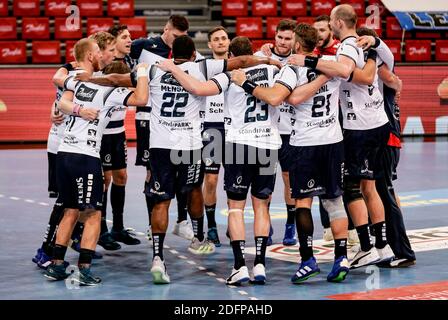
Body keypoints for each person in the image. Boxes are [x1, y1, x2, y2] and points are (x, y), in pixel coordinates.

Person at [156, 36, 284, 285]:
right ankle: (259, 264)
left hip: (239, 144)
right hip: (269, 144)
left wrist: (173, 69)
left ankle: (239, 265)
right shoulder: (273, 71)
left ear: (232, 57)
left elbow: (197, 89)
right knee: (261, 206)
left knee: (236, 208)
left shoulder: (229, 75)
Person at [232, 23, 350, 283]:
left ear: (297, 44)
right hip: (333, 140)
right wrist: (321, 77)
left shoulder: (292, 69)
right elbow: (345, 70)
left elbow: (276, 98)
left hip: (305, 142)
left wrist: (247, 84)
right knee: (334, 201)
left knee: (303, 203)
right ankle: (342, 257)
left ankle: (307, 260)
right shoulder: (329, 62)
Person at [287, 4, 395, 269]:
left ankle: (368, 247)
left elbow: (347, 72)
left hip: (359, 127)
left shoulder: (346, 47)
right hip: (378, 121)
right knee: (369, 187)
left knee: (351, 189)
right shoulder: (365, 45)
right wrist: (374, 47)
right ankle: (382, 245)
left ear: (337, 23)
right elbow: (385, 63)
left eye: (328, 24)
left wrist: (310, 62)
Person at [43, 38, 149, 285]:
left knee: (70, 209)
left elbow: (62, 100)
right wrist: (141, 72)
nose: (103, 55)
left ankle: (57, 265)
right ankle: (84, 270)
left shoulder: (76, 80)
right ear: (91, 56)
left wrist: (78, 110)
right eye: (99, 52)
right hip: (86, 156)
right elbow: (141, 98)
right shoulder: (109, 90)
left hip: (64, 154)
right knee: (92, 213)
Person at [129, 16, 195, 241]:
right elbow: (117, 53)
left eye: (182, 37)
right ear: (165, 29)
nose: (178, 41)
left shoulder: (186, 54)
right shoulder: (143, 46)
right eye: (175, 36)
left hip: (176, 121)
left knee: (183, 174)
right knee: (152, 172)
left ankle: (182, 220)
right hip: (147, 118)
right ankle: (151, 223)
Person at [356, 27, 416, 268]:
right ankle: (386, 245)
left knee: (384, 192)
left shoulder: (380, 65)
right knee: (375, 191)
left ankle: (403, 251)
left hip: (387, 137)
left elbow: (389, 69)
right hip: (375, 137)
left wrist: (376, 42)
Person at [313, 15, 358, 245]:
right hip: (318, 121)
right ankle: (327, 226)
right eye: (316, 30)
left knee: (342, 174)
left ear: (331, 29)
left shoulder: (342, 51)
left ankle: (350, 226)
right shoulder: (313, 53)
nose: (319, 34)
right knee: (322, 174)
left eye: (322, 29)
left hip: (342, 117)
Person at [257, 19, 298, 246]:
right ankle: (267, 222)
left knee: (289, 179)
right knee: (266, 182)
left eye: (287, 38)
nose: (283, 42)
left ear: (295, 40)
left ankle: (291, 224)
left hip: (290, 130)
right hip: (266, 131)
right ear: (275, 37)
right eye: (280, 37)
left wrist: (275, 62)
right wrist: (268, 59)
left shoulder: (299, 58)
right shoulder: (260, 55)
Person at [201, 26, 231, 247]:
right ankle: (211, 226)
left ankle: (234, 222)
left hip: (234, 127)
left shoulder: (238, 65)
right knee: (210, 179)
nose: (221, 42)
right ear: (210, 44)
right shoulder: (201, 67)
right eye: (216, 39)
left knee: (233, 181)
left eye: (224, 38)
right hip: (211, 127)